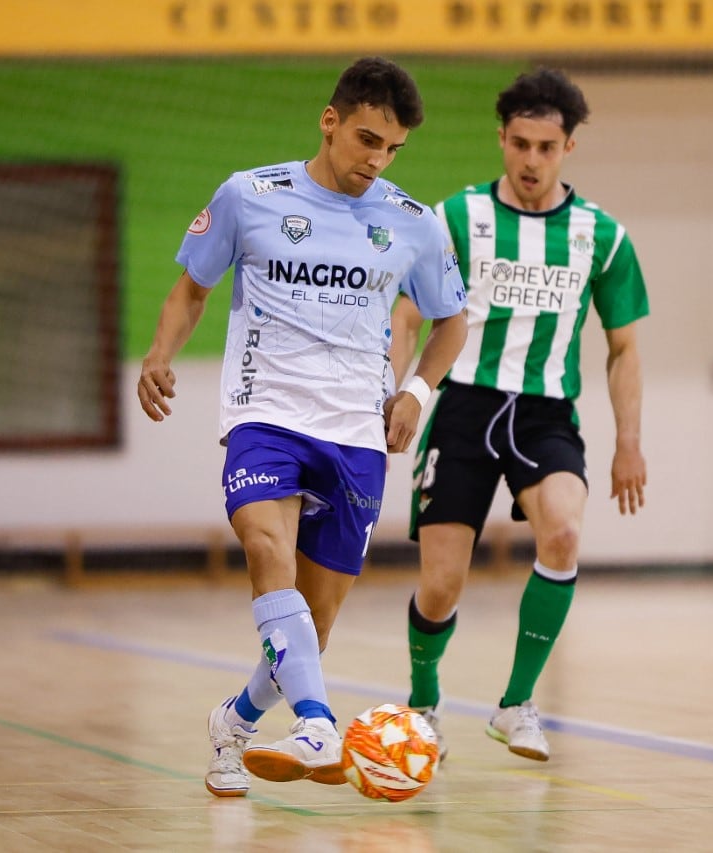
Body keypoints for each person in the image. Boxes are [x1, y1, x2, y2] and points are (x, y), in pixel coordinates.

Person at [137, 56, 468, 797]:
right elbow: (191, 290)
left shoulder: (413, 223)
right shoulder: (248, 195)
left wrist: (416, 388)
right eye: (365, 139)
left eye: (392, 149)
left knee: (313, 623)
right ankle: (319, 723)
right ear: (329, 119)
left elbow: (453, 320)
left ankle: (236, 717)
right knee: (265, 547)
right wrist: (161, 354)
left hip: (356, 429)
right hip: (265, 414)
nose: (376, 161)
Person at [390, 68, 648, 762]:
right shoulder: (456, 217)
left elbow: (624, 347)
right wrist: (405, 391)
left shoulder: (603, 235)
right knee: (441, 584)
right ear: (501, 139)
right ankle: (422, 701)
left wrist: (629, 440)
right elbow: (409, 313)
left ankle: (516, 704)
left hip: (545, 413)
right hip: (464, 405)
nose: (532, 160)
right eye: (521, 144)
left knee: (563, 531)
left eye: (547, 147)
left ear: (569, 148)